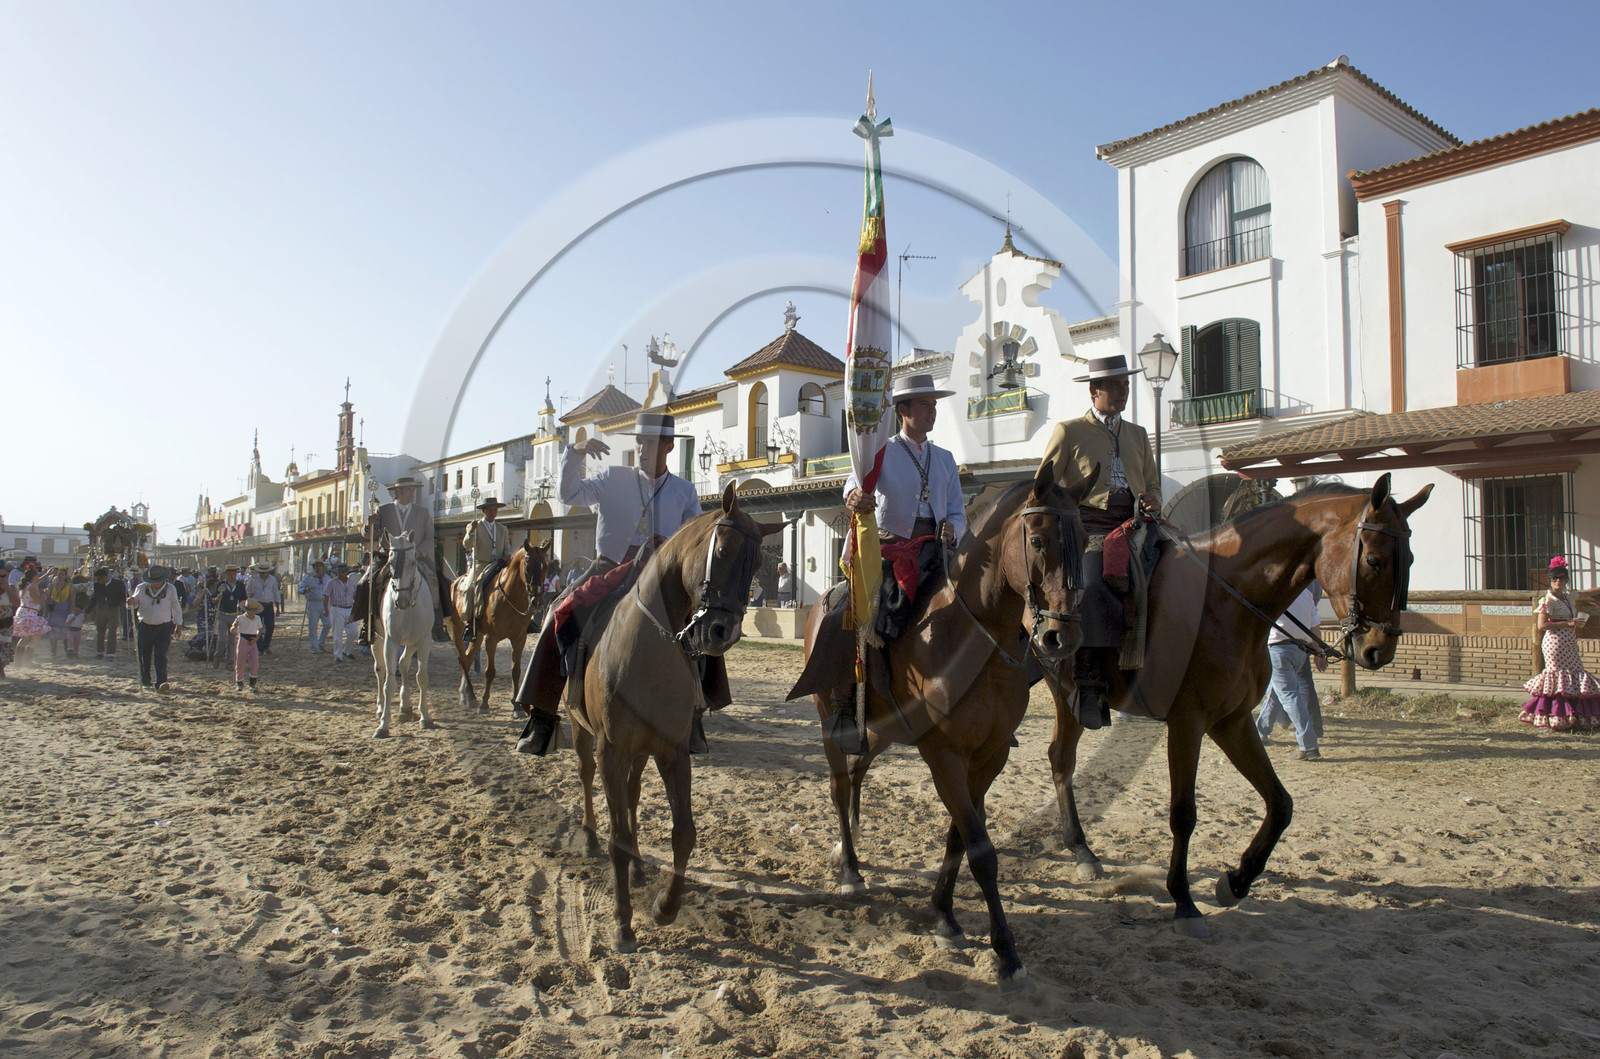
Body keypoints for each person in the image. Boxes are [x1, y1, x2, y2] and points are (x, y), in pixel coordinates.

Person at [513, 411, 705, 756]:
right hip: (609, 569)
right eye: (639, 441)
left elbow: (697, 540)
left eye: (649, 442)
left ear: (668, 446)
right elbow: (569, 495)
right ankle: (542, 716)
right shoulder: (613, 477)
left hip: (661, 578)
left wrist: (676, 546)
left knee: (701, 625)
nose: (642, 448)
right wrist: (575, 452)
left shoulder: (684, 491)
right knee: (558, 614)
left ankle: (696, 713)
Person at [1039, 354, 1162, 731]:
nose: (1124, 391)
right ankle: (1089, 676)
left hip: (1137, 523)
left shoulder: (1138, 434)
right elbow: (1043, 488)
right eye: (1116, 386)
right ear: (1095, 391)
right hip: (1090, 527)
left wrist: (1153, 498)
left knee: (1182, 565)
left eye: (1126, 385)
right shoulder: (1069, 431)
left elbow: (1152, 482)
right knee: (1091, 583)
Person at [363, 474, 452, 642]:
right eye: (409, 490)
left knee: (438, 580)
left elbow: (430, 537)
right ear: (399, 491)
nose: (412, 493)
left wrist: (419, 552)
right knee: (367, 581)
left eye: (413, 490)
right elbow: (370, 534)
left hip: (414, 556)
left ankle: (439, 623)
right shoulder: (383, 510)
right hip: (388, 557)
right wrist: (369, 525)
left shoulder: (422, 512)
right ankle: (367, 624)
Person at [1520, 556, 1600, 731]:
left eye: (1561, 578)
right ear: (1550, 580)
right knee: (1557, 680)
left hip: (1569, 643)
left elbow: (1588, 592)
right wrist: (1568, 623)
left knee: (1575, 674)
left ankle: (1576, 716)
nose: (1557, 581)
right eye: (1554, 578)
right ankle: (1554, 717)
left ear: (1566, 580)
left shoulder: (1569, 596)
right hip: (1555, 643)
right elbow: (1542, 625)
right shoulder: (1548, 600)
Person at [1254, 583, 1329, 760]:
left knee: (1288, 695)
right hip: (1300, 651)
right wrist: (1319, 652)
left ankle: (1308, 745)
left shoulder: (1276, 591)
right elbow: (1314, 627)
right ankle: (1260, 732)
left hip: (1278, 649)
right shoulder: (1307, 595)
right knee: (1275, 692)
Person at [461, 496, 513, 645]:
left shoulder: (503, 529)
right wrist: (470, 532)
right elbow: (466, 544)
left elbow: (507, 547)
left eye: (495, 509)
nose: (493, 512)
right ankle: (469, 622)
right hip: (481, 564)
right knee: (471, 586)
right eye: (490, 509)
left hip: (499, 563)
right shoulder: (476, 526)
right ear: (484, 511)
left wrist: (509, 555)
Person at [127, 565, 184, 691]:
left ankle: (162, 682)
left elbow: (175, 607)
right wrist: (130, 602)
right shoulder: (141, 588)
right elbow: (134, 603)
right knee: (144, 654)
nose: (154, 584)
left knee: (161, 655)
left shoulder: (170, 589)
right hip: (145, 626)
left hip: (163, 627)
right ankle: (145, 679)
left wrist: (178, 625)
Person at [89, 567, 128, 661]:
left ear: (104, 577)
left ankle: (111, 653)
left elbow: (123, 595)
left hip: (113, 609)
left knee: (112, 632)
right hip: (101, 608)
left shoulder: (118, 583)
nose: (97, 581)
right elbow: (94, 598)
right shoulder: (97, 585)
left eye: (99, 579)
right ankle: (100, 652)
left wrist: (127, 604)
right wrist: (88, 610)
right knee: (100, 630)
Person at [246, 562, 281, 653]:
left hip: (269, 605)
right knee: (257, 626)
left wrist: (278, 607)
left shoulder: (272, 579)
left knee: (270, 626)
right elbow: (248, 591)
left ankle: (266, 645)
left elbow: (276, 593)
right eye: (261, 572)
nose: (263, 574)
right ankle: (259, 646)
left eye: (264, 572)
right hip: (257, 605)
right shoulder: (253, 579)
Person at [327, 563, 358, 661]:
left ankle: (347, 651)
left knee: (354, 632)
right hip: (337, 608)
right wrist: (325, 609)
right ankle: (338, 656)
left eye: (343, 572)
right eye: (339, 572)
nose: (341, 574)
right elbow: (325, 595)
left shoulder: (351, 583)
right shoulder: (331, 582)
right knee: (337, 634)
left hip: (350, 608)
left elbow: (355, 596)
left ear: (347, 573)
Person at [299, 560, 332, 651]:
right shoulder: (308, 578)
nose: (319, 568)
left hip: (324, 603)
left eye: (320, 566)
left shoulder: (327, 578)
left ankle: (320, 642)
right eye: (317, 566)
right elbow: (300, 589)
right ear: (314, 567)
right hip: (313, 603)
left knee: (328, 624)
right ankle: (314, 647)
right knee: (313, 626)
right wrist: (305, 590)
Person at [232, 599, 264, 691]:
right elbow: (232, 630)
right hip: (243, 640)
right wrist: (235, 626)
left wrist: (256, 638)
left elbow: (260, 629)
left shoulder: (257, 618)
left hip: (253, 641)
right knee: (240, 662)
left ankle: (252, 683)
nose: (251, 614)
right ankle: (239, 682)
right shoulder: (240, 618)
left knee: (254, 663)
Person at [0, 563, 16, 676]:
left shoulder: (10, 587)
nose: (2, 578)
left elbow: (16, 603)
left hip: (6, 623)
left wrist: (8, 590)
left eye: (3, 576)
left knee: (4, 648)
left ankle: (1, 670)